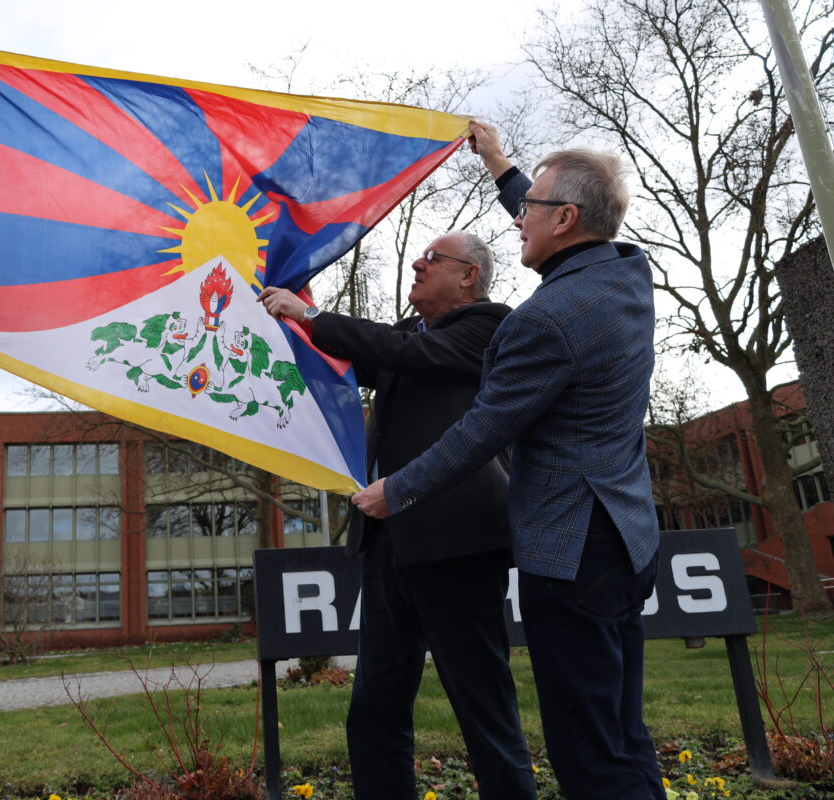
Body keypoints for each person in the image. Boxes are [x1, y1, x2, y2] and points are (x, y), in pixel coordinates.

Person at [353, 121, 666, 800]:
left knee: (590, 753)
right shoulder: (623, 273)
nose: (519, 218)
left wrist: (393, 493)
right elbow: (559, 219)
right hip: (626, 538)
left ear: (566, 218)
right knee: (621, 733)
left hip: (572, 554)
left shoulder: (543, 322)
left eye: (531, 209)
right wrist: (498, 164)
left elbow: (481, 432)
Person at [258, 230, 537, 799]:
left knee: (484, 711)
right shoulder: (409, 334)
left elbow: (401, 354)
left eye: (431, 259)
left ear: (468, 277)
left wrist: (309, 313)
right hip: (389, 544)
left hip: (457, 546)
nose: (417, 263)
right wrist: (277, 316)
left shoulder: (489, 328)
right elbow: (355, 357)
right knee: (374, 711)